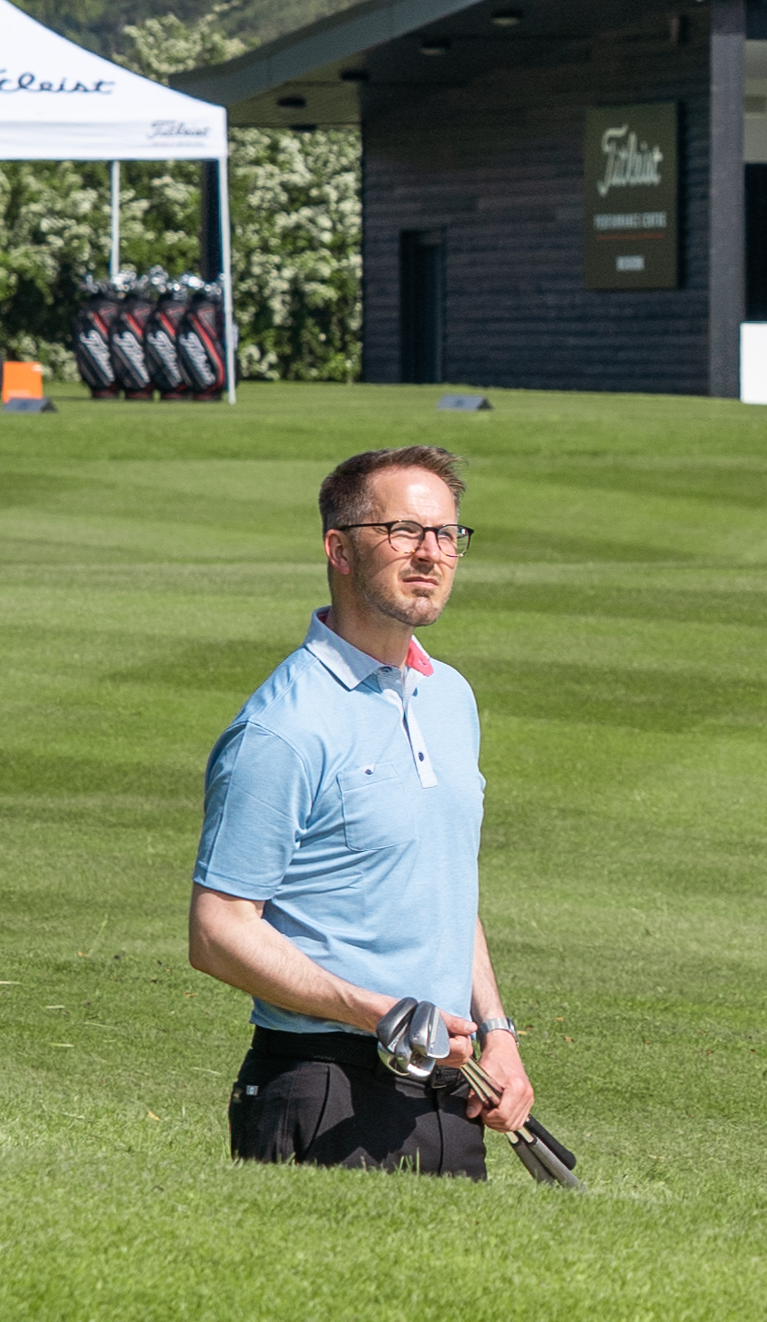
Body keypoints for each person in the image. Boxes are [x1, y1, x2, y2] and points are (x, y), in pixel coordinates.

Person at [188, 444, 540, 1173]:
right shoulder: (283, 726)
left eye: (446, 534)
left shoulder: (451, 697)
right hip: (323, 1087)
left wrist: (496, 1029)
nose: (431, 553)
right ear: (338, 549)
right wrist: (371, 1009)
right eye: (403, 531)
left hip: (447, 1089)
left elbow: (441, 883)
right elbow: (218, 930)